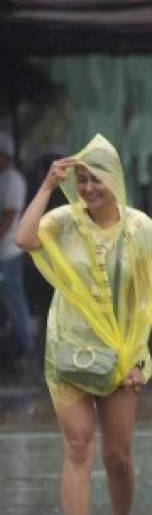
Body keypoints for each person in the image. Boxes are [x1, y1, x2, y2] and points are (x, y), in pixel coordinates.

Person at [15, 134, 152, 515]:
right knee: (77, 446)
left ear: (113, 178)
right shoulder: (63, 221)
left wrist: (138, 359)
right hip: (69, 354)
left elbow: (148, 296)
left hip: (121, 354)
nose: (88, 188)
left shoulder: (140, 229)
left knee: (117, 456)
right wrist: (46, 186)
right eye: (81, 179)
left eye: (95, 178)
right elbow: (24, 238)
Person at [0, 132, 33, 367]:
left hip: (8, 253)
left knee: (14, 299)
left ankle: (24, 344)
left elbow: (9, 216)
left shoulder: (12, 181)